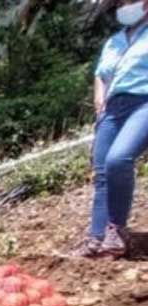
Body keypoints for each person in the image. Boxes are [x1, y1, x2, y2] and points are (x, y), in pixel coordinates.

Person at [69, 0, 148, 259]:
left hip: (143, 102)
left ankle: (116, 230)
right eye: (120, 2)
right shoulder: (114, 41)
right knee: (102, 171)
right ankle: (97, 237)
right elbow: (101, 74)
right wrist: (99, 101)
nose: (124, 6)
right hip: (113, 108)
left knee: (118, 159)